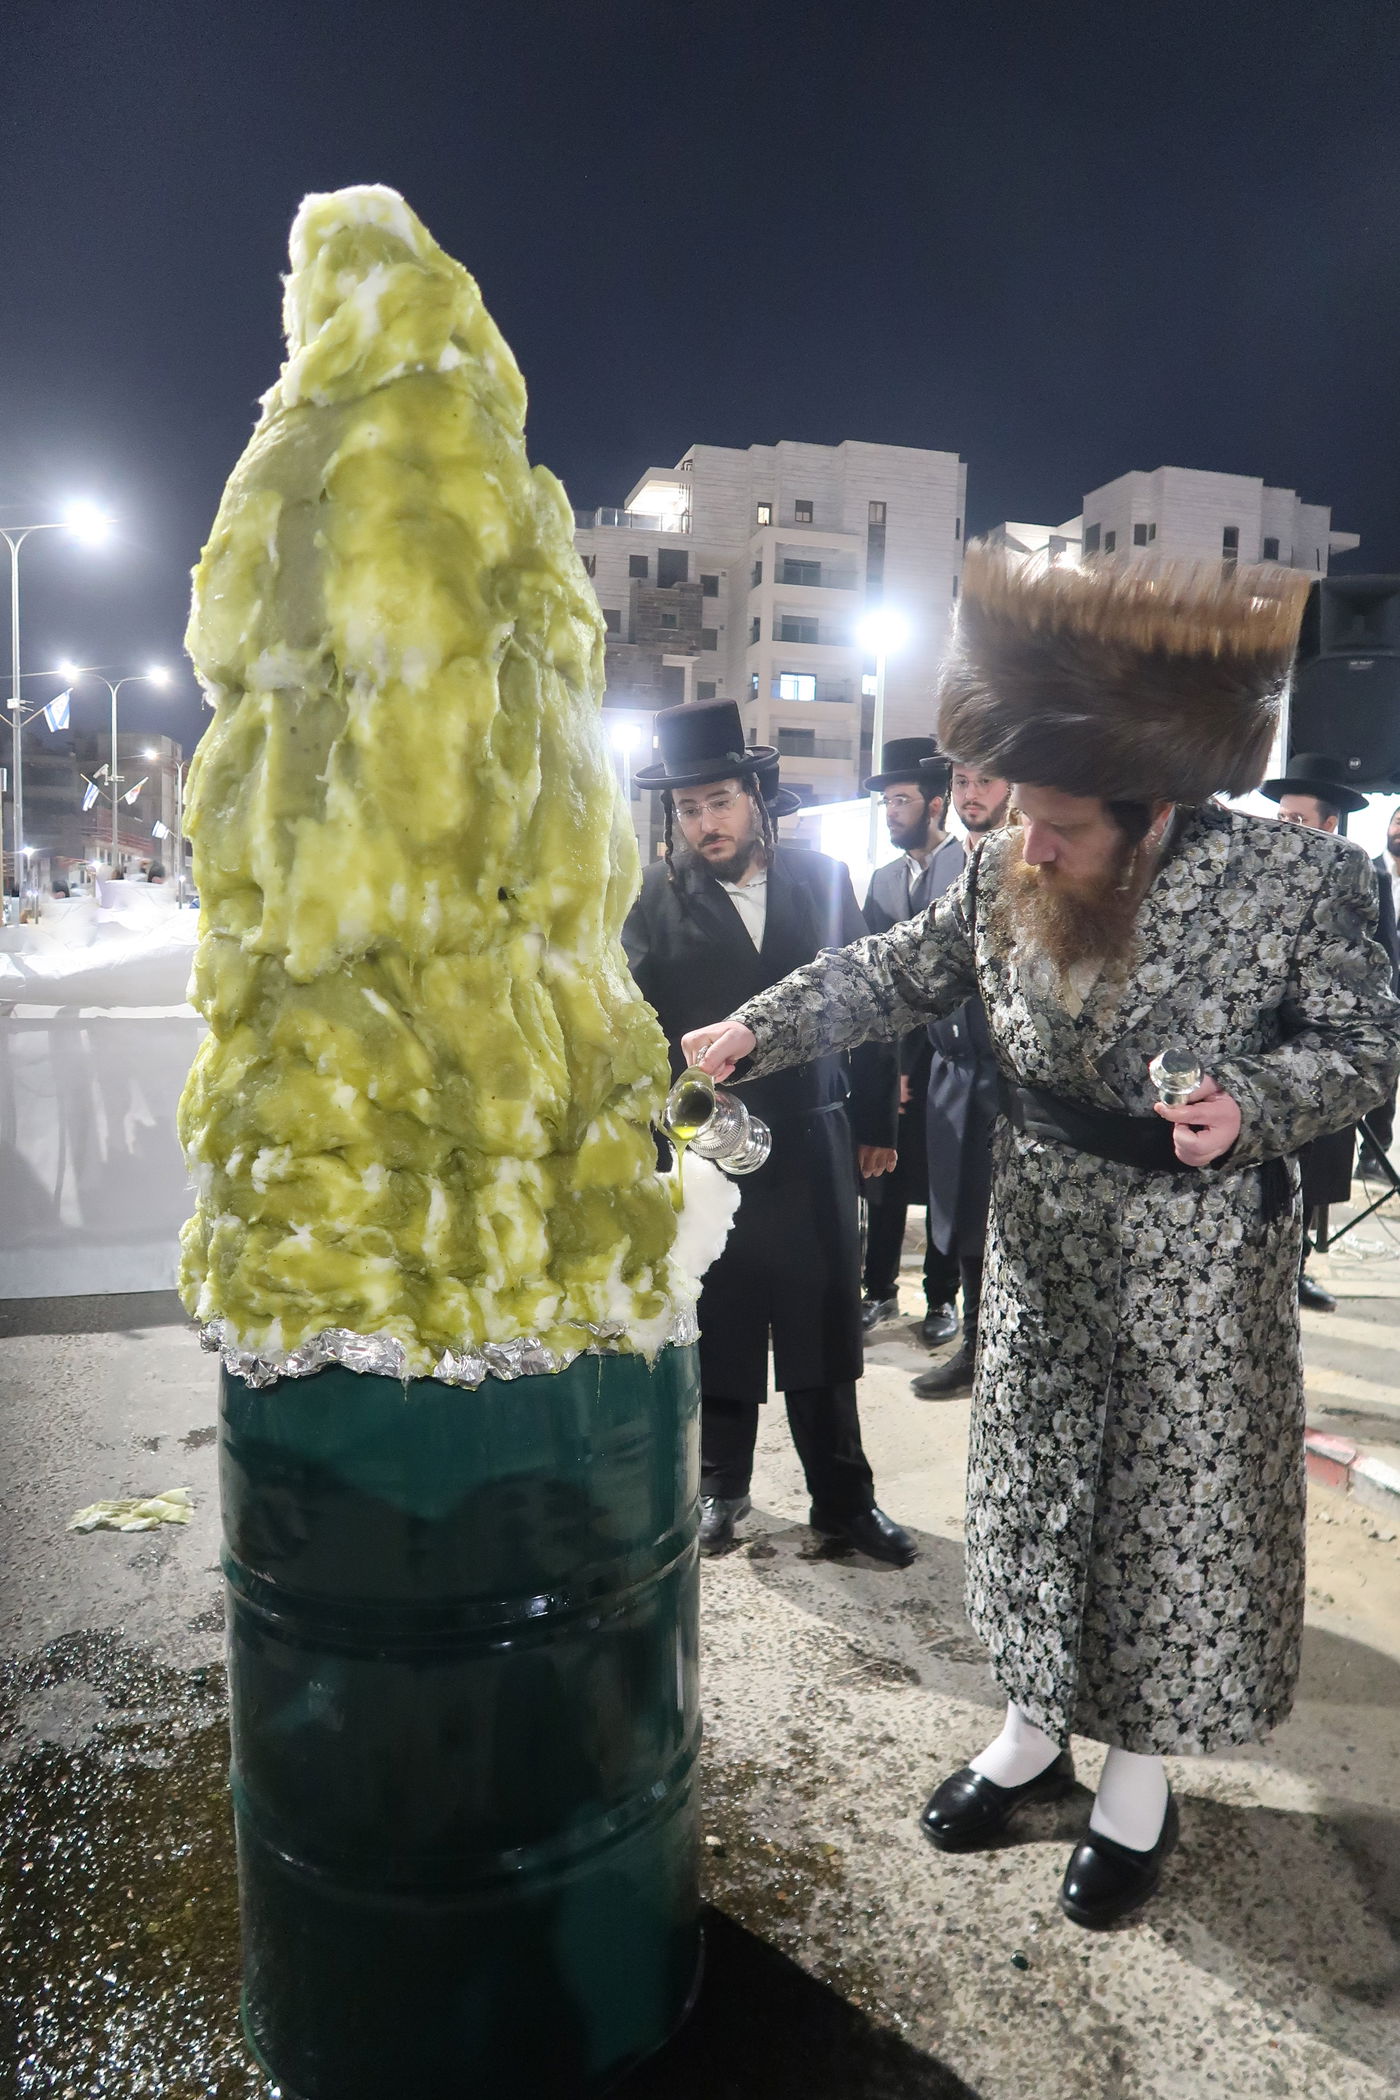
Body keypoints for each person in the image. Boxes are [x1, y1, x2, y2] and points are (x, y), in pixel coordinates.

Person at [681, 550, 1400, 1928]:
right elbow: (900, 967)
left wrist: (1253, 1103)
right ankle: (1028, 1731)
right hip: (1045, 1243)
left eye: (1066, 825)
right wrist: (759, 1026)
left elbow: (1366, 1045)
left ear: (1158, 811)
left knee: (1160, 1521)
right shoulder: (1009, 871)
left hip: (1195, 1267)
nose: (1034, 847)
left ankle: (1136, 1777)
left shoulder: (1296, 889)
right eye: (1026, 819)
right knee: (1029, 1497)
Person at [622, 699, 916, 1566]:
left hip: (819, 1132)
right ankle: (721, 1489)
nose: (705, 824)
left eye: (718, 801)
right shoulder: (651, 897)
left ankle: (843, 1501)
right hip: (711, 1150)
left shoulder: (825, 880)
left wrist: (875, 1122)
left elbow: (872, 1001)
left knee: (825, 1319)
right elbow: (635, 1031)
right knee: (724, 1313)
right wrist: (655, 1145)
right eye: (688, 809)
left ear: (755, 795)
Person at [1259, 752, 1400, 1305]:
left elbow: (1378, 964)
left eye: (1295, 822)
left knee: (1317, 1164)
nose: (1282, 830)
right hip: (1262, 1052)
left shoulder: (1361, 879)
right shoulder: (1253, 875)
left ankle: (1296, 1268)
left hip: (1322, 1051)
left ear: (1328, 825)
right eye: (1279, 819)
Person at [910, 762, 1012, 1401]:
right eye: (963, 781)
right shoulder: (950, 871)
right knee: (962, 1220)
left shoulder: (1034, 863)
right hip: (951, 1071)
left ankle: (1001, 1351)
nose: (972, 795)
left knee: (1008, 1222)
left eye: (986, 781)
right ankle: (975, 1344)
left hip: (1009, 1080)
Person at [859, 738, 964, 1345]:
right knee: (885, 1177)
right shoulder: (881, 879)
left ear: (935, 803)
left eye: (901, 800)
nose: (892, 812)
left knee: (945, 1180)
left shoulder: (965, 870)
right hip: (893, 1057)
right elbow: (876, 984)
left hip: (952, 1061)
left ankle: (941, 1299)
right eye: (886, 803)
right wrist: (888, 1064)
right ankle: (877, 1290)